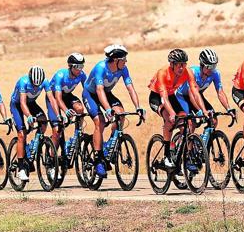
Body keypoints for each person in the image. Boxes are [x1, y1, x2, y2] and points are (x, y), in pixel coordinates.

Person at [82, 44, 144, 178]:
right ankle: (98, 159)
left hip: (106, 93)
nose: (126, 62)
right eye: (124, 59)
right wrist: (108, 110)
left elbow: (130, 88)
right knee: (100, 121)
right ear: (116, 60)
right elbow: (99, 90)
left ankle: (111, 143)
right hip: (90, 94)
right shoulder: (101, 68)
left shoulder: (123, 69)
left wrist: (138, 107)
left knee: (120, 114)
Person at [148, 49, 206, 168]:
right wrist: (172, 113)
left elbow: (195, 92)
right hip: (157, 97)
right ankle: (166, 156)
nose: (182, 67)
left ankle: (185, 156)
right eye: (179, 65)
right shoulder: (162, 73)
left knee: (187, 123)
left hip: (171, 96)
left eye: (184, 64)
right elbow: (163, 98)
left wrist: (203, 110)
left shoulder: (187, 72)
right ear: (172, 64)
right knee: (169, 119)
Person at [10, 66, 57, 181]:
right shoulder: (23, 82)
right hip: (17, 105)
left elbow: (52, 99)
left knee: (44, 122)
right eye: (34, 84)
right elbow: (22, 103)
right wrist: (29, 116)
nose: (36, 87)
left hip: (31, 103)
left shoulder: (45, 81)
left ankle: (34, 145)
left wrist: (58, 115)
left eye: (38, 85)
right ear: (30, 78)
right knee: (21, 134)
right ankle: (21, 168)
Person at [175, 48, 236, 125]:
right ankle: (185, 136)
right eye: (209, 67)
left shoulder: (215, 73)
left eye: (214, 66)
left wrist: (228, 109)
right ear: (202, 65)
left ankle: (205, 137)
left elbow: (220, 92)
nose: (212, 69)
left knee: (213, 120)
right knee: (190, 123)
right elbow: (192, 94)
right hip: (183, 97)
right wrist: (201, 110)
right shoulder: (193, 72)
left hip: (197, 96)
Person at [48, 53, 88, 150]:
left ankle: (76, 136)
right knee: (57, 131)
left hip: (67, 96)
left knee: (79, 109)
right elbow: (58, 98)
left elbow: (87, 91)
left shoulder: (82, 75)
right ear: (70, 66)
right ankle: (53, 159)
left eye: (82, 66)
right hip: (53, 98)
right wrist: (66, 111)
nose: (80, 69)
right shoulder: (60, 75)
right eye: (77, 66)